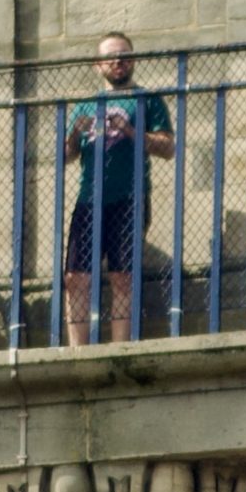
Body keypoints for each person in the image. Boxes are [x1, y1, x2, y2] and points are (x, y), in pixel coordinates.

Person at [63, 32, 174, 344]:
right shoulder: (85, 106)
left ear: (133, 60)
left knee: (122, 275)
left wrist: (130, 131)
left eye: (124, 55)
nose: (118, 62)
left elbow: (167, 147)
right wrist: (74, 134)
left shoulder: (146, 99)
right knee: (75, 277)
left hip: (130, 197)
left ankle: (120, 346)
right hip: (89, 199)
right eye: (111, 57)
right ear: (99, 65)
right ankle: (78, 351)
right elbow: (64, 156)